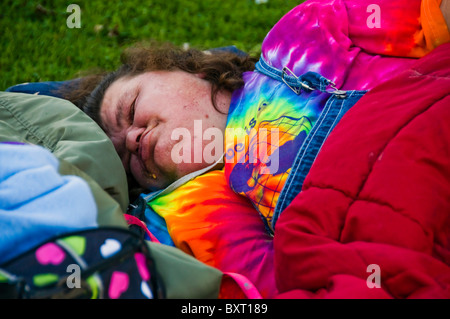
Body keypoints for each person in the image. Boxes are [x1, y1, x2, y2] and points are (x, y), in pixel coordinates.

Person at [56, 0, 450, 298]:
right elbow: (264, 289)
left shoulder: (300, 37)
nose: (134, 140)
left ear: (190, 67)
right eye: (127, 159)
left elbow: (428, 16)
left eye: (131, 111)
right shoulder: (198, 210)